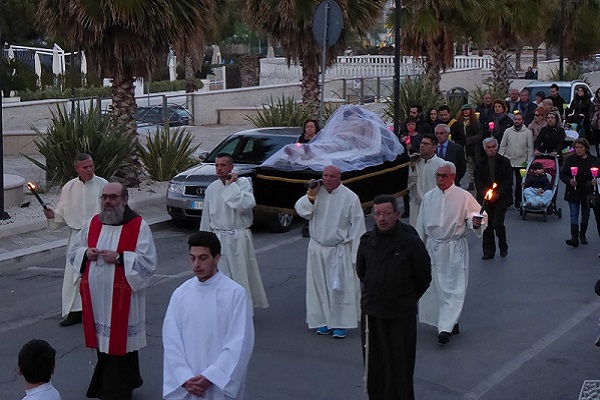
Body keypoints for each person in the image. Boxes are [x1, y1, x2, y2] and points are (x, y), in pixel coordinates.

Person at [69, 182, 157, 399]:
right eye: (104, 197)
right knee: (104, 344)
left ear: (124, 200)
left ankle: (115, 390)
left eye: (113, 197)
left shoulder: (138, 226)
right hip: (97, 300)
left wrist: (119, 258)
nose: (108, 201)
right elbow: (74, 250)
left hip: (122, 301)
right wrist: (86, 253)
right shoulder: (93, 223)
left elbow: (148, 263)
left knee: (121, 345)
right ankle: (127, 380)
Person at [162, 231, 254, 400]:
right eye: (192, 258)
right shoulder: (181, 294)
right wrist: (184, 377)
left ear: (217, 258)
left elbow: (239, 343)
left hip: (219, 385)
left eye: (203, 258)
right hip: (188, 384)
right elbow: (171, 340)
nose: (196, 264)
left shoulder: (235, 294)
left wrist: (212, 377)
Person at [356, 195, 431, 400]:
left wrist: (405, 298)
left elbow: (423, 277)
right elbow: (362, 273)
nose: (382, 218)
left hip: (401, 315)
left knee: (401, 367)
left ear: (397, 215)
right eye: (378, 214)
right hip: (373, 314)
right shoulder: (366, 242)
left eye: (387, 213)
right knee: (375, 366)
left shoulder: (411, 243)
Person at [416, 161, 485, 345]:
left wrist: (475, 223)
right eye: (437, 175)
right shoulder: (429, 197)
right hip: (433, 247)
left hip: (453, 248)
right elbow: (421, 224)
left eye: (443, 176)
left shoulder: (463, 197)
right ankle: (448, 321)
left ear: (453, 176)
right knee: (437, 288)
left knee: (454, 288)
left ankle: (445, 328)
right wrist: (417, 248)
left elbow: (476, 216)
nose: (439, 179)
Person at [294, 165, 366, 339]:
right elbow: (303, 211)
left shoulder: (350, 197)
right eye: (325, 175)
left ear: (339, 177)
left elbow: (358, 227)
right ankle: (323, 320)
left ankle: (340, 323)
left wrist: (357, 256)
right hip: (317, 248)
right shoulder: (316, 193)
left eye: (331, 176)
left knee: (339, 288)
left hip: (338, 250)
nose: (327, 179)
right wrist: (310, 195)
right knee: (319, 286)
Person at [43, 153, 107, 327]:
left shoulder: (103, 185)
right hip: (77, 236)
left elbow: (110, 211)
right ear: (76, 168)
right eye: (85, 167)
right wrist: (52, 215)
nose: (89, 170)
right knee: (73, 275)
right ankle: (75, 311)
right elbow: (62, 213)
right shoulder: (69, 187)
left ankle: (96, 312)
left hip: (97, 235)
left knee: (95, 275)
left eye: (91, 166)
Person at [200, 153, 269, 309]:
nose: (219, 168)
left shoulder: (243, 183)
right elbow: (206, 217)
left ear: (231, 167)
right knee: (221, 276)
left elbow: (245, 205)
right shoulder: (212, 188)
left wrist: (231, 186)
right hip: (219, 238)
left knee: (241, 275)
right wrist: (204, 243)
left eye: (223, 165)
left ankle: (244, 309)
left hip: (238, 237)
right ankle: (224, 309)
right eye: (216, 165)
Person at [475, 137, 513, 259]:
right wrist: (486, 193)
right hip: (485, 198)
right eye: (488, 147)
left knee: (497, 223)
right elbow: (478, 181)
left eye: (493, 147)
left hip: (501, 198)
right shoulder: (480, 163)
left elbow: (508, 181)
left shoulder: (505, 162)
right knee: (486, 225)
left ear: (497, 147)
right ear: (485, 149)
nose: (491, 150)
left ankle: (503, 244)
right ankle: (488, 251)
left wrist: (498, 193)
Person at [559, 138, 600, 247]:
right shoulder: (570, 159)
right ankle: (574, 237)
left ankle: (582, 234)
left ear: (585, 148)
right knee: (574, 213)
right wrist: (569, 181)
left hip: (587, 192)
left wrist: (594, 181)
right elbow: (563, 174)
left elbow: (598, 175)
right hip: (573, 191)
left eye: (580, 147)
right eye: (576, 147)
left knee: (585, 214)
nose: (578, 150)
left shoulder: (594, 160)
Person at [407, 134, 446, 227]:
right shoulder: (415, 162)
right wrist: (411, 167)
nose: (422, 145)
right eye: (421, 143)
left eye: (426, 143)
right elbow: (408, 184)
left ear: (434, 147)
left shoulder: (441, 164)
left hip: (434, 207)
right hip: (417, 206)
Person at [499, 112, 534, 208]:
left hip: (521, 162)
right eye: (515, 119)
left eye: (519, 119)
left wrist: (528, 162)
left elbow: (530, 148)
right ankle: (508, 200)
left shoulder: (527, 133)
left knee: (520, 183)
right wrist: (501, 158)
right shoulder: (507, 131)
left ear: (522, 121)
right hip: (508, 160)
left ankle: (518, 201)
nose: (517, 121)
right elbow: (503, 145)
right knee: (508, 182)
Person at [297, 119, 321, 237]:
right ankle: (307, 223)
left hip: (317, 171)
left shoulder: (321, 139)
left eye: (312, 126)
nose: (309, 129)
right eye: (307, 127)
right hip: (305, 170)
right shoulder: (300, 140)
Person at [457, 104, 484, 191]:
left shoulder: (475, 122)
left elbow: (480, 134)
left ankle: (478, 182)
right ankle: (471, 182)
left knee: (477, 165)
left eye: (467, 110)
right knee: (470, 166)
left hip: (474, 147)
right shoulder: (459, 122)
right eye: (464, 110)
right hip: (464, 148)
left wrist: (469, 140)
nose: (466, 111)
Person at [590, 88, 600, 155]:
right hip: (595, 126)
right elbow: (591, 112)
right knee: (597, 143)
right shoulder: (594, 102)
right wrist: (593, 118)